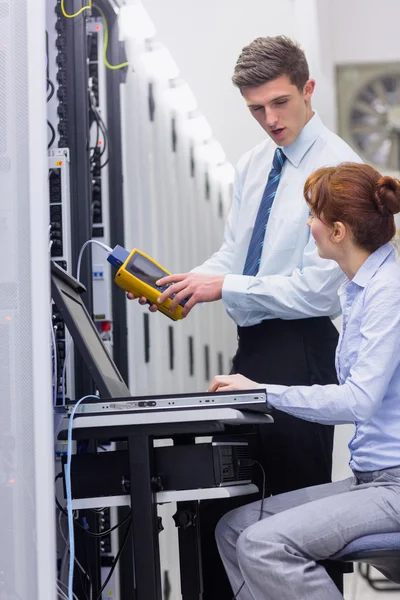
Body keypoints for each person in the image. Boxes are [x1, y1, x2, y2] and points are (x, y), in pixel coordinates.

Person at [131, 36, 361, 596]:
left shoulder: (339, 171)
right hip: (253, 349)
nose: (270, 119)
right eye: (256, 109)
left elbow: (315, 290)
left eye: (280, 102)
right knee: (234, 503)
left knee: (295, 516)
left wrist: (224, 284)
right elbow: (234, 255)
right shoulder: (254, 165)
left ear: (308, 89)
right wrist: (186, 283)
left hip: (304, 350)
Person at [208, 162, 400, 600]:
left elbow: (359, 401)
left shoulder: (388, 291)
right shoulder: (358, 290)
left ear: (337, 231)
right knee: (235, 529)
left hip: (394, 486)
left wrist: (262, 391)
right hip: (372, 481)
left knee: (264, 544)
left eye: (313, 216)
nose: (308, 225)